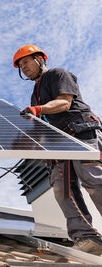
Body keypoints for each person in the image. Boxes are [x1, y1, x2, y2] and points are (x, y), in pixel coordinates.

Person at [13, 44, 102, 254]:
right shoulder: (34, 96)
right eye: (21, 65)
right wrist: (24, 142)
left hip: (80, 132)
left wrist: (38, 110)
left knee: (94, 182)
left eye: (26, 61)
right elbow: (39, 130)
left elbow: (63, 103)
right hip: (58, 144)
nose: (24, 67)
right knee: (62, 188)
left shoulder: (57, 75)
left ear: (40, 59)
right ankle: (86, 238)